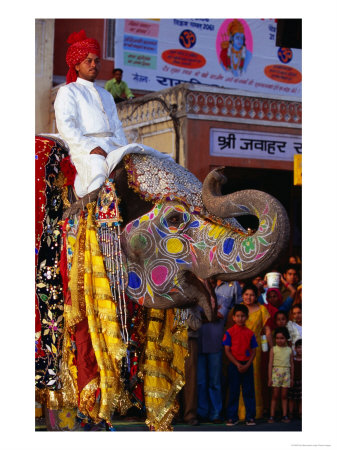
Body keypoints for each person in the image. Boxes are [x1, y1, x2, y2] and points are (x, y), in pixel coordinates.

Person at [54, 30, 169, 198]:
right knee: (98, 173)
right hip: (86, 150)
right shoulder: (68, 91)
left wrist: (123, 148)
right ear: (77, 65)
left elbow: (117, 126)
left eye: (97, 61)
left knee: (151, 158)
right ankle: (91, 218)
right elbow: (66, 126)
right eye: (88, 61)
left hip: (113, 146)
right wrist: (91, 148)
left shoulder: (106, 95)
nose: (94, 65)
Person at [233, 283, 271, 420]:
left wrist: (272, 347)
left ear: (257, 296)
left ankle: (254, 412)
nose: (249, 297)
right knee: (238, 379)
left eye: (252, 295)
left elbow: (267, 330)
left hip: (255, 349)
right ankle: (239, 412)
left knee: (254, 379)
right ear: (242, 295)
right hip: (238, 347)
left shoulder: (262, 310)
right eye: (246, 294)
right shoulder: (238, 310)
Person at [197, 278, 227, 423]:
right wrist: (210, 316)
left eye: (210, 282)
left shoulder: (222, 297)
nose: (207, 284)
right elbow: (196, 317)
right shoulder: (197, 299)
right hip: (199, 343)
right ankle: (202, 412)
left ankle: (216, 412)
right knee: (201, 381)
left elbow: (219, 315)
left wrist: (206, 316)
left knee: (214, 382)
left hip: (215, 344)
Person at [223, 304, 258, 426]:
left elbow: (254, 351)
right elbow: (227, 350)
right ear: (233, 317)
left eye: (243, 316)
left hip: (247, 365)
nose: (240, 318)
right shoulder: (229, 332)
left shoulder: (250, 333)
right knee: (233, 391)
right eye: (237, 316)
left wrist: (247, 364)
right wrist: (237, 364)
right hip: (234, 365)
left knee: (248, 391)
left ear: (247, 317)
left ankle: (250, 417)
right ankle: (232, 417)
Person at [268, 327, 294, 423]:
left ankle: (284, 415)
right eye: (277, 338)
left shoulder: (289, 350)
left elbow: (292, 364)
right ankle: (271, 416)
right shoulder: (273, 349)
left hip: (286, 374)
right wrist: (270, 377)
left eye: (282, 338)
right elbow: (270, 364)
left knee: (284, 395)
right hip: (276, 373)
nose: (279, 340)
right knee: (275, 395)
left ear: (286, 338)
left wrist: (292, 378)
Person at [182, 305, 202, 426]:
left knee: (190, 379)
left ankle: (189, 414)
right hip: (173, 340)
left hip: (189, 341)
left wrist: (187, 311)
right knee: (173, 378)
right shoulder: (170, 300)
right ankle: (174, 413)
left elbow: (196, 326)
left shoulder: (193, 306)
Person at [288, 339, 302, 419]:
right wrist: (291, 379)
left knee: (301, 398)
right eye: (299, 347)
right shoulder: (293, 359)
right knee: (291, 397)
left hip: (302, 381)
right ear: (295, 349)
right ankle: (290, 412)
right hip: (293, 380)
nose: (301, 350)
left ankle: (301, 413)